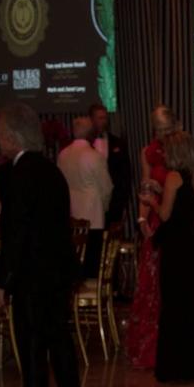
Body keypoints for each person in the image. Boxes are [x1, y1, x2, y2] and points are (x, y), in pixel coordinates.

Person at [0, 103, 86, 387]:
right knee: (59, 340)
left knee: (31, 344)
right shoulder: (50, 170)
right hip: (59, 272)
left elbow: (15, 233)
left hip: (32, 274)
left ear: (13, 137)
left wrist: (0, 281)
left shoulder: (16, 173)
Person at [147, 129, 194, 382]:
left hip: (175, 249)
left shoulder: (173, 176)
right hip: (191, 246)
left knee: (172, 307)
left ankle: (173, 369)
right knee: (190, 307)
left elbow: (165, 215)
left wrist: (151, 201)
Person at [124, 104, 178, 369]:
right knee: (151, 279)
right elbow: (145, 187)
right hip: (157, 217)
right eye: (160, 130)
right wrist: (142, 218)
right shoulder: (148, 151)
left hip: (177, 219)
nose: (164, 134)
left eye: (168, 129)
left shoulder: (182, 147)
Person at [57, 116, 113, 278]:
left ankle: (75, 296)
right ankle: (90, 294)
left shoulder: (63, 154)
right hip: (93, 214)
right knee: (91, 261)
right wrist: (105, 206)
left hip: (71, 213)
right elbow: (106, 187)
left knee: (73, 260)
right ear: (91, 134)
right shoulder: (94, 156)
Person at [89, 102, 134, 235]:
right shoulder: (85, 145)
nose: (104, 121)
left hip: (114, 202)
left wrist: (122, 201)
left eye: (105, 118)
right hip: (92, 203)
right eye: (100, 118)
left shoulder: (118, 143)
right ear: (91, 119)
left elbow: (126, 174)